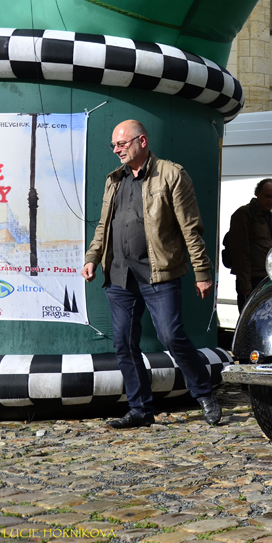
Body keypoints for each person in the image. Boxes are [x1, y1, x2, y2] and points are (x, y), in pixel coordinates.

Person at [81, 120, 222, 429]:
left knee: (172, 336)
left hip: (159, 272)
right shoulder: (114, 180)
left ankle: (204, 394)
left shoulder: (171, 174)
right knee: (123, 342)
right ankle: (140, 408)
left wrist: (202, 272)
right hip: (119, 274)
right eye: (114, 145)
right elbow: (104, 225)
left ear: (142, 141)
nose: (116, 150)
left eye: (122, 144)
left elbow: (191, 228)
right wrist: (93, 257)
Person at [229, 178, 272, 311]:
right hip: (252, 279)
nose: (271, 201)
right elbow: (240, 251)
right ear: (257, 193)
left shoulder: (268, 215)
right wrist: (245, 284)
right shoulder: (244, 214)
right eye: (267, 196)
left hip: (268, 277)